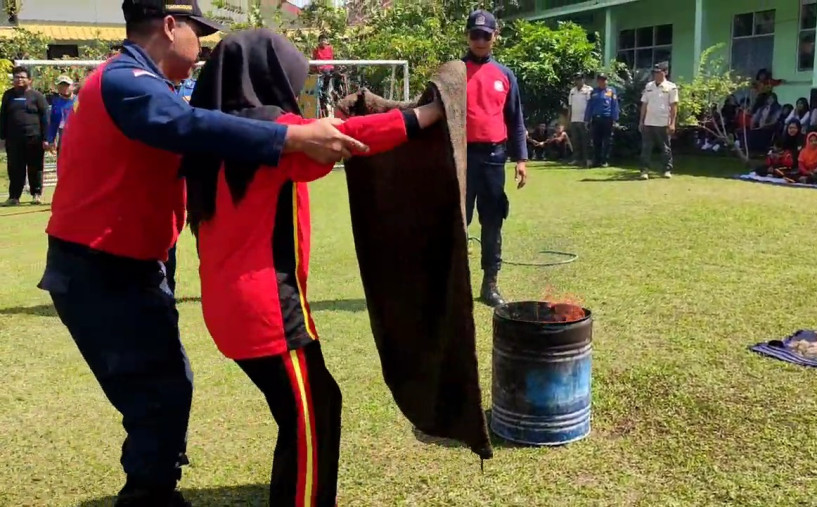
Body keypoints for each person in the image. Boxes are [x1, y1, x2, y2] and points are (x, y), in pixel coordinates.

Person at [35, 1, 368, 505]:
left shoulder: (139, 83)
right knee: (156, 395)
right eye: (198, 33)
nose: (202, 49)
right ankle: (147, 495)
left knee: (169, 387)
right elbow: (189, 127)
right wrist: (294, 134)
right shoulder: (124, 80)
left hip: (132, 265)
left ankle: (154, 487)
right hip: (100, 268)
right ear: (169, 26)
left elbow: (202, 129)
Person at [181, 29, 445, 507]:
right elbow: (347, 142)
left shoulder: (215, 135)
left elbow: (310, 150)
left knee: (309, 410)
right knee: (312, 420)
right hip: (267, 312)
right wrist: (426, 115)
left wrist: (328, 122)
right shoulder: (270, 131)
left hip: (229, 308)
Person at [462, 9, 527, 307]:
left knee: (492, 221)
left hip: (493, 158)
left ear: (494, 38)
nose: (479, 41)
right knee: (455, 222)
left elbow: (515, 121)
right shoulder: (453, 73)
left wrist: (521, 159)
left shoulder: (505, 75)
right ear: (467, 36)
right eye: (475, 35)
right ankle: (453, 287)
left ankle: (490, 284)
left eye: (485, 36)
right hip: (460, 159)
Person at [0, 66, 49, 206]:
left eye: (22, 77)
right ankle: (14, 197)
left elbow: (45, 118)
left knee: (35, 167)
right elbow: (3, 116)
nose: (19, 80)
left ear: (30, 80)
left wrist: (46, 138)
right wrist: (2, 137)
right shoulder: (8, 95)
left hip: (34, 139)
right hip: (13, 140)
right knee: (15, 168)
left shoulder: (37, 96)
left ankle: (36, 194)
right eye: (16, 77)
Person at [639, 63, 678, 179]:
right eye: (654, 73)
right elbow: (644, 104)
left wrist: (672, 123)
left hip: (663, 122)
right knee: (646, 148)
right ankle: (644, 170)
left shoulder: (671, 87)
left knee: (665, 148)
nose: (656, 75)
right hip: (649, 122)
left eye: (658, 72)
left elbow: (674, 106)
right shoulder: (649, 86)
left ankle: (667, 170)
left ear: (665, 73)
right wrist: (641, 121)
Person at [585, 72, 619, 167]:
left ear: (606, 81)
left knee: (607, 140)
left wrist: (615, 118)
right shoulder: (594, 92)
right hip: (596, 119)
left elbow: (614, 105)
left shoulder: (611, 91)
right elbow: (590, 106)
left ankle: (605, 160)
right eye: (600, 80)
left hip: (607, 118)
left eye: (604, 80)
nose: (602, 82)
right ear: (597, 81)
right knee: (596, 141)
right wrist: (587, 119)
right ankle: (597, 160)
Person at [46, 75, 76, 154]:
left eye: (67, 86)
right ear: (58, 88)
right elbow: (53, 122)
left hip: (78, 137)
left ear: (72, 87)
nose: (64, 88)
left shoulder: (79, 101)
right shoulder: (56, 103)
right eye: (62, 86)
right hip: (63, 137)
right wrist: (51, 140)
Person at [567, 73, 592, 166]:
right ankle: (576, 159)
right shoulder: (572, 91)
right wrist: (569, 118)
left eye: (580, 79)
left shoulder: (588, 90)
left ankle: (587, 159)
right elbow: (570, 106)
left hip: (584, 119)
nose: (578, 81)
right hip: (574, 119)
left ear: (583, 79)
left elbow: (590, 105)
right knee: (576, 141)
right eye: (576, 79)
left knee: (586, 141)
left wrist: (588, 118)